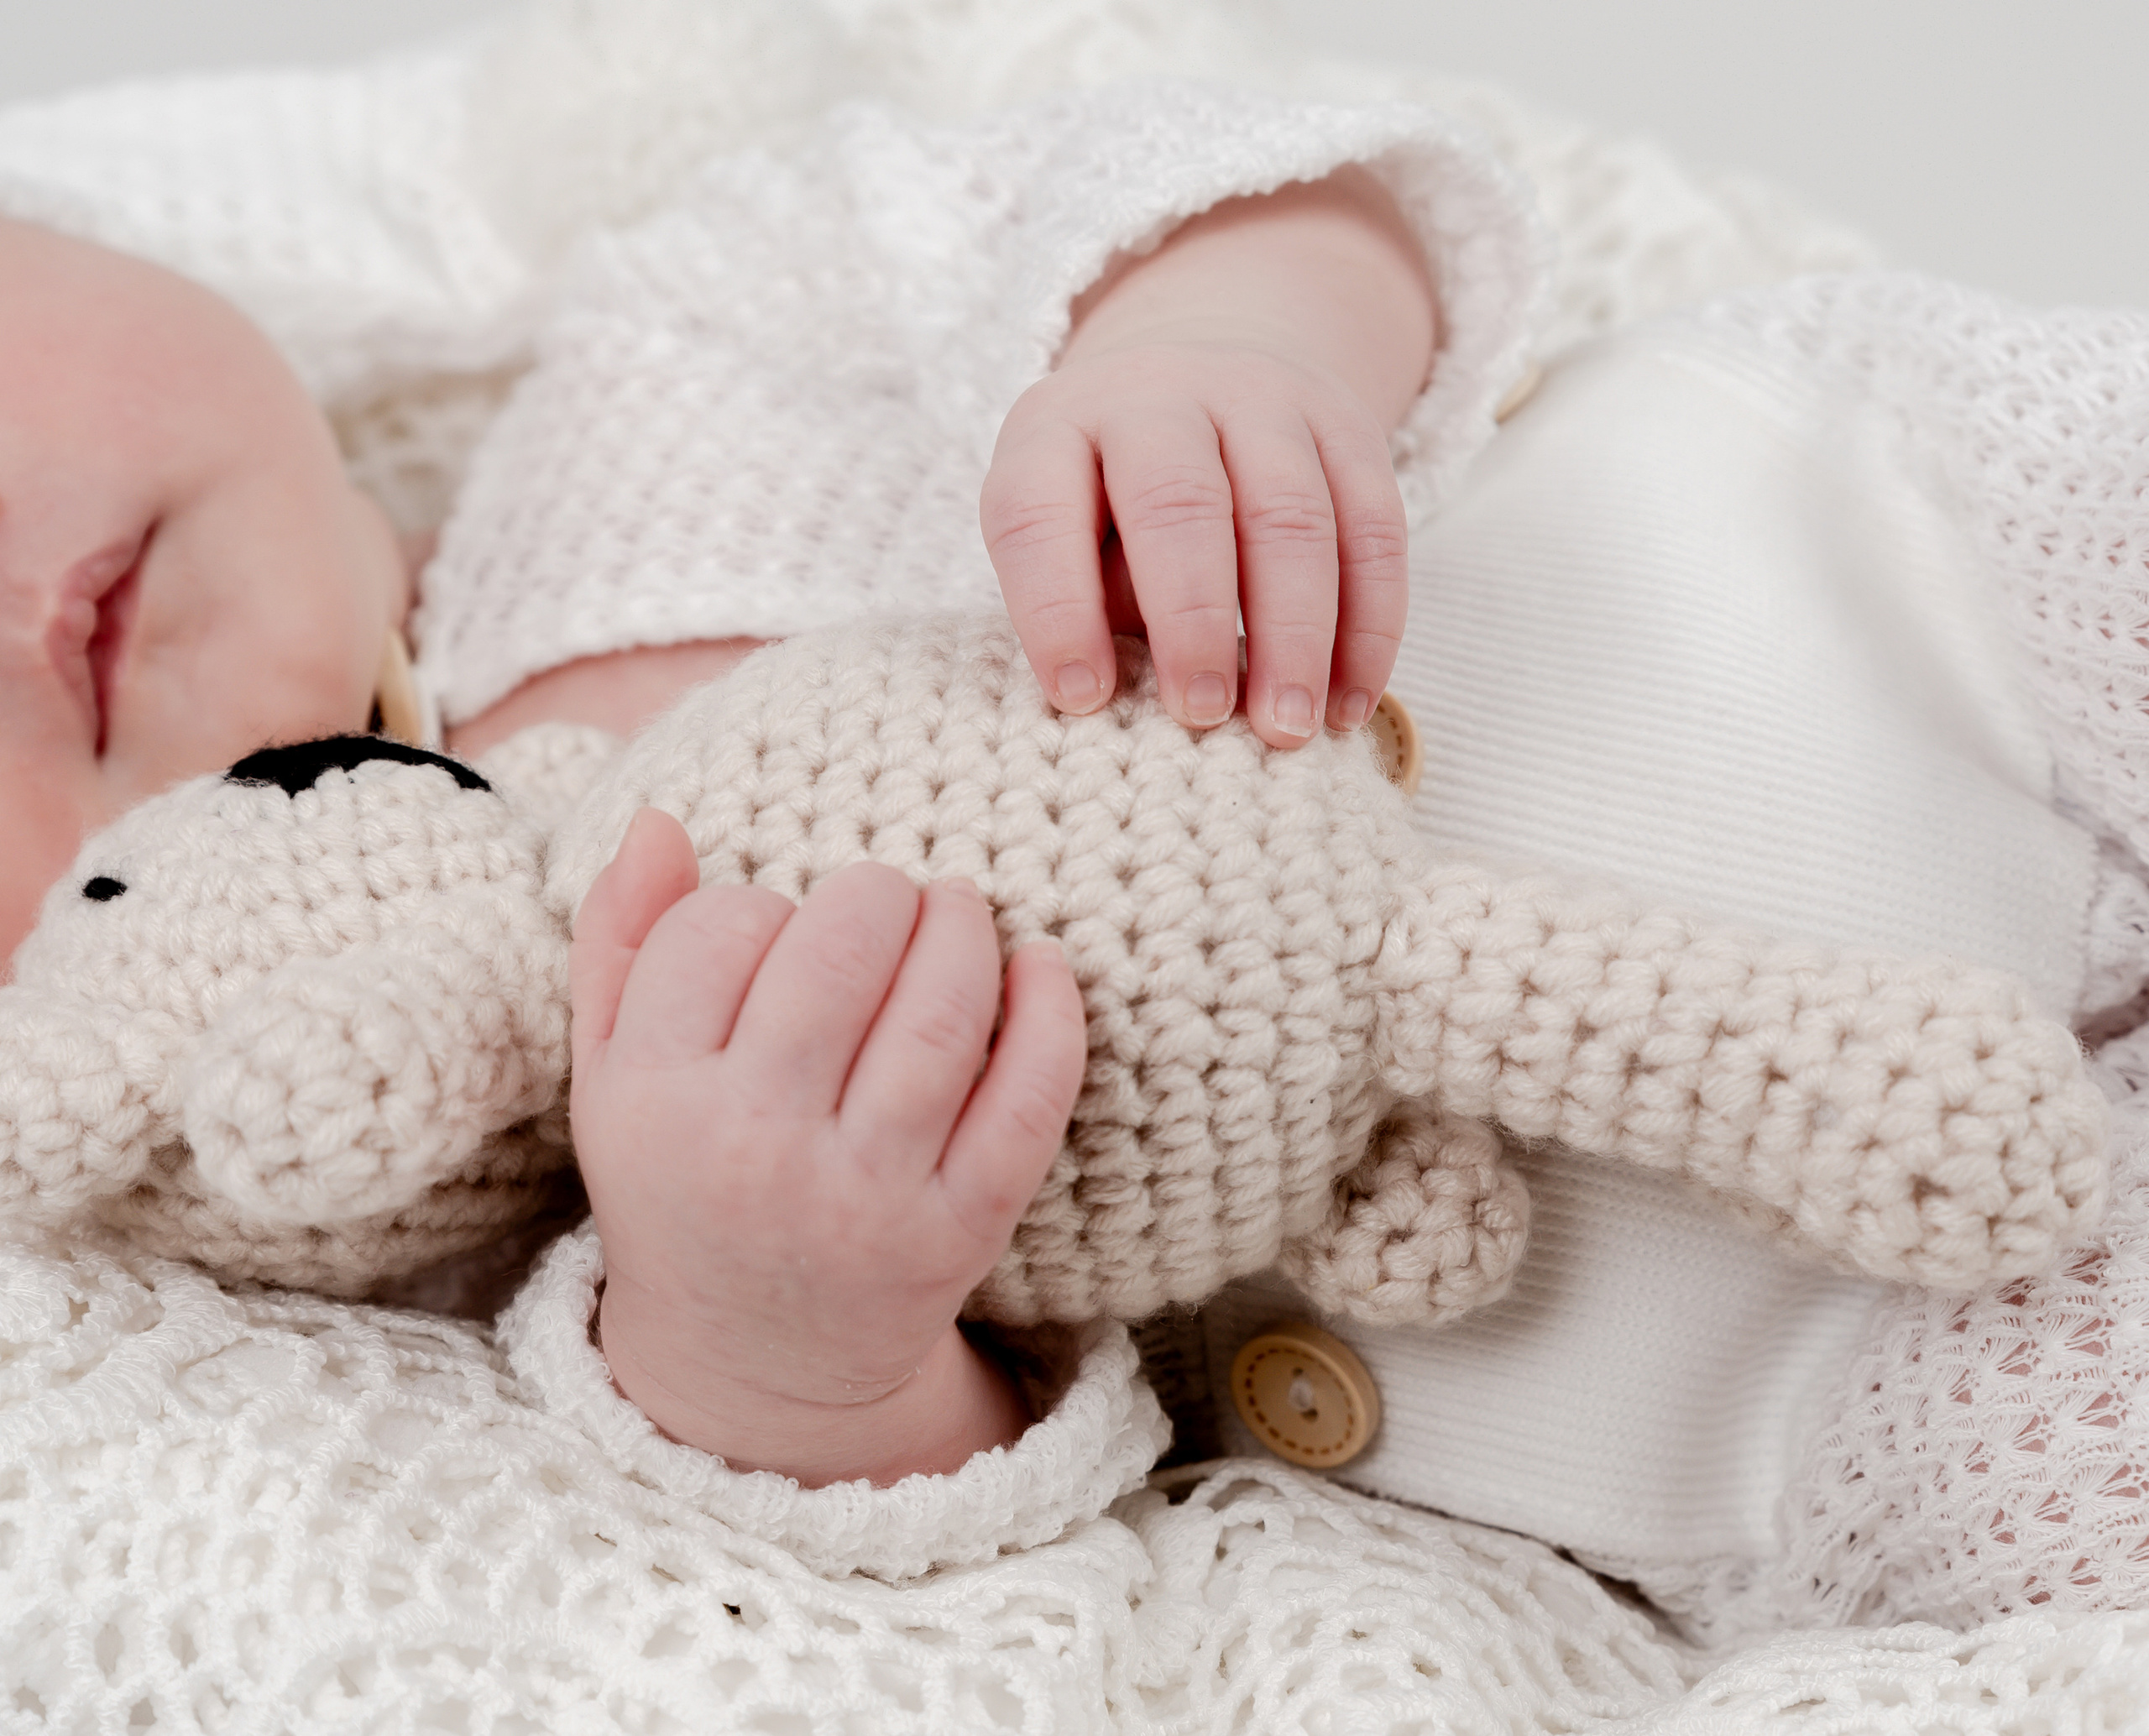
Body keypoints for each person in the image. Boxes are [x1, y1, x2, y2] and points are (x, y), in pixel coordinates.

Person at [2, 7, 2144, 1723]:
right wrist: (779, 1338)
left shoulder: (675, 345)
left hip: (1863, 595)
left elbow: (1242, 184)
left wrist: (1214, 347)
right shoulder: (366, 1204)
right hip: (1735, 1368)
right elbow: (839, 1552)